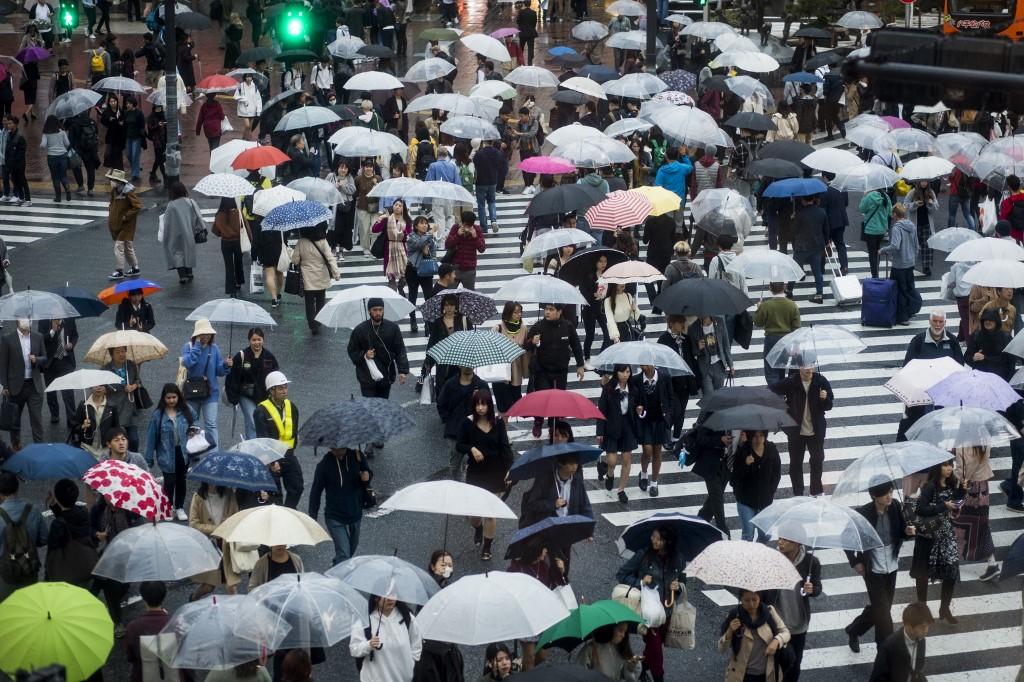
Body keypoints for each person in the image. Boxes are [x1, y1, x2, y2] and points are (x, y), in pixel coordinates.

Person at [846, 481, 917, 653]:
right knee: (884, 614)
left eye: (891, 492)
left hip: (891, 565)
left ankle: (854, 629)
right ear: (874, 496)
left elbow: (900, 531)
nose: (889, 496)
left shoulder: (895, 507)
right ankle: (885, 652)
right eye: (885, 494)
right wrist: (855, 562)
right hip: (872, 568)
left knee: (881, 609)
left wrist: (907, 532)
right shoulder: (863, 514)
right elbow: (846, 537)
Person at [616, 527, 683, 682]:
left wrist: (678, 587)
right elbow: (621, 574)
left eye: (659, 539)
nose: (654, 540)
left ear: (668, 541)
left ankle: (641, 669)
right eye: (653, 536)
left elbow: (682, 582)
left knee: (653, 648)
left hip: (667, 613)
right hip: (649, 613)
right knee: (656, 649)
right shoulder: (644, 555)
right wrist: (641, 582)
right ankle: (659, 678)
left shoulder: (678, 559)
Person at [456, 389, 513, 560]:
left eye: (484, 404)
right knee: (474, 515)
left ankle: (487, 547)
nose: (480, 408)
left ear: (489, 405)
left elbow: (505, 447)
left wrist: (510, 469)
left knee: (490, 513)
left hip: (496, 471)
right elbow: (460, 444)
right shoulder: (467, 423)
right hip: (476, 472)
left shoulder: (498, 422)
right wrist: (472, 449)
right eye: (477, 404)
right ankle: (478, 527)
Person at [911, 460, 965, 625]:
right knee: (923, 574)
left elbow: (955, 503)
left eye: (950, 465)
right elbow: (920, 509)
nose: (949, 468)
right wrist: (943, 506)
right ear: (937, 468)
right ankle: (923, 610)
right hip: (928, 536)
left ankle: (945, 608)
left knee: (951, 571)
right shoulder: (929, 487)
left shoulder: (952, 483)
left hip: (946, 534)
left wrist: (962, 491)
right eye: (945, 465)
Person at [770, 364, 833, 497]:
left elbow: (829, 406)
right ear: (799, 368)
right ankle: (798, 494)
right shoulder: (791, 382)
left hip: (816, 431)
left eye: (811, 366)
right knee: (795, 464)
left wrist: (824, 398)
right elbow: (771, 389)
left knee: (817, 461)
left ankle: (816, 491)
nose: (809, 369)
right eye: (805, 366)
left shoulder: (820, 381)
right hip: (796, 432)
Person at [524, 304, 586, 437]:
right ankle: (538, 421)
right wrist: (532, 342)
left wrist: (580, 365)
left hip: (560, 371)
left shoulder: (568, 326)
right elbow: (526, 345)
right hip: (542, 370)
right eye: (546, 309)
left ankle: (554, 426)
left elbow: (576, 345)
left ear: (559, 311)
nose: (547, 312)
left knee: (557, 400)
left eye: (551, 310)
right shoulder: (538, 326)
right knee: (542, 398)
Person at [768, 536, 822, 681]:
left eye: (785, 539)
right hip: (776, 624)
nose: (780, 542)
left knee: (794, 665)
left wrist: (812, 589)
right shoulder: (772, 560)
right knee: (774, 664)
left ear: (797, 542)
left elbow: (818, 587)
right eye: (779, 538)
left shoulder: (811, 562)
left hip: (798, 623)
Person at [309, 447, 371, 565]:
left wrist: (367, 476)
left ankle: (336, 568)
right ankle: (340, 572)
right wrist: (313, 516)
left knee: (351, 549)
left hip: (355, 512)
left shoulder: (357, 456)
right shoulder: (324, 465)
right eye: (335, 449)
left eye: (341, 449)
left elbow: (367, 473)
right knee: (344, 554)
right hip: (334, 516)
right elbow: (316, 491)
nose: (338, 452)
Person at [143, 383, 193, 521]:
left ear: (178, 397)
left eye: (174, 397)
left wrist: (194, 431)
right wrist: (148, 459)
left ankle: (179, 507)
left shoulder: (186, 410)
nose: (171, 400)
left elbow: (195, 422)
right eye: (168, 397)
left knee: (181, 480)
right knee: (169, 481)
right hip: (166, 454)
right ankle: (168, 507)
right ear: (163, 398)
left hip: (183, 452)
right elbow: (151, 438)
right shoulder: (157, 416)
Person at [718, 589, 791, 682]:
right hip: (743, 675)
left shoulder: (769, 611)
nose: (751, 604)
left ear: (759, 598)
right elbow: (721, 649)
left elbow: (785, 632)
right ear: (741, 600)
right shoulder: (734, 616)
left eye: (754, 599)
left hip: (767, 674)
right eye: (747, 600)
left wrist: (776, 641)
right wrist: (730, 631)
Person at [347, 297, 410, 405]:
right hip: (366, 376)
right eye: (375, 310)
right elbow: (352, 350)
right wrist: (364, 355)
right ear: (369, 311)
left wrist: (403, 371)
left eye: (380, 310)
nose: (378, 313)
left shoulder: (392, 328)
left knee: (383, 406)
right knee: (369, 406)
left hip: (386, 375)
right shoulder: (360, 330)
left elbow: (400, 349)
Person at [254, 371, 302, 508]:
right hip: (272, 458)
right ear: (271, 390)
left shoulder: (292, 407)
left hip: (289, 455)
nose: (284, 391)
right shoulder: (261, 411)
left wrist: (291, 453)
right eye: (280, 388)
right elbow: (263, 439)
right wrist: (272, 461)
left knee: (297, 487)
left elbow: (293, 434)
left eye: (285, 387)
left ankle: (288, 511)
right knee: (275, 495)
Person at [182, 319, 232, 450]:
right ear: (196, 334)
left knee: (211, 424)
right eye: (202, 334)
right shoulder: (189, 347)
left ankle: (214, 455)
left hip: (210, 392)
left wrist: (226, 365)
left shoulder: (214, 348)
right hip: (191, 392)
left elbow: (219, 371)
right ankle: (194, 453)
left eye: (208, 333)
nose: (206, 336)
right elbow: (189, 363)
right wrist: (197, 346)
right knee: (193, 425)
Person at [953, 446, 1000, 581]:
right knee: (982, 525)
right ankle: (992, 563)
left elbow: (964, 469)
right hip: (982, 487)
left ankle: (951, 561)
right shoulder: (983, 439)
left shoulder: (963, 444)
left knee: (956, 522)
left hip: (967, 488)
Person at [350, 596, 423, 681]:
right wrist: (369, 645)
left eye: (393, 594)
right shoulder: (364, 621)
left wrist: (411, 664)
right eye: (385, 594)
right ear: (376, 598)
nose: (390, 598)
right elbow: (354, 649)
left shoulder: (407, 617)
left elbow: (416, 643)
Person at [225, 327, 279, 441]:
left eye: (259, 339)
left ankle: (257, 445)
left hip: (264, 396)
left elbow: (275, 376)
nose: (257, 342)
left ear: (263, 340)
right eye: (254, 340)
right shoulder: (241, 356)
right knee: (252, 421)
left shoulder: (269, 357)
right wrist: (233, 398)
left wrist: (275, 394)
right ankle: (252, 447)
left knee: (262, 421)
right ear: (249, 340)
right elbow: (232, 377)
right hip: (246, 395)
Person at [0, 318, 46, 449]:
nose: (28, 321)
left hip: (34, 386)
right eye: (24, 319)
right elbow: (3, 364)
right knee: (15, 420)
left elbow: (44, 357)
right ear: (17, 322)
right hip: (15, 387)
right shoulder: (7, 339)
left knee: (36, 419)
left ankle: (39, 448)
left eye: (29, 319)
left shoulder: (38, 337)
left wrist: (37, 359)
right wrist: (4, 386)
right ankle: (16, 446)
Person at [0, 472, 46, 601]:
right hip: (28, 568)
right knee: (29, 606)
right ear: (17, 488)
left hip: (5, 574)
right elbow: (44, 539)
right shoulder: (33, 510)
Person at [730, 430, 781, 542]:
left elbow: (777, 473)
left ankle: (757, 550)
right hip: (745, 501)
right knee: (748, 535)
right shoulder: (743, 451)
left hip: (765, 501)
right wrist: (745, 464)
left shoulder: (771, 449)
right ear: (750, 436)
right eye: (755, 436)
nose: (758, 439)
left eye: (761, 435)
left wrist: (771, 491)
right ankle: (747, 553)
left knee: (765, 535)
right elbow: (734, 478)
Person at [631, 363, 672, 497]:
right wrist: (637, 407)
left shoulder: (664, 377)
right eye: (641, 363)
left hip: (660, 420)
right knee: (647, 450)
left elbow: (670, 398)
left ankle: (654, 482)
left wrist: (669, 416)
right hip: (645, 421)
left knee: (658, 451)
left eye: (646, 363)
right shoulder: (636, 379)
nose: (643, 366)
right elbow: (632, 399)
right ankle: (643, 474)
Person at [291, 223, 341, 335]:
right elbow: (330, 258)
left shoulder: (301, 242)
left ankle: (312, 324)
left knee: (309, 302)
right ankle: (318, 320)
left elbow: (295, 260)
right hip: (321, 275)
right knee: (320, 299)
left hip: (307, 276)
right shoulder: (323, 241)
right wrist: (336, 273)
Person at [879, 203, 922, 325]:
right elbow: (916, 245)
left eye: (892, 214)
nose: (891, 216)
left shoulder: (897, 228)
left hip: (899, 265)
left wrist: (883, 250)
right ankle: (911, 309)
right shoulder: (912, 226)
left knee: (899, 290)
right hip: (910, 263)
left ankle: (903, 316)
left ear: (895, 214)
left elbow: (895, 246)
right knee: (909, 288)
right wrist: (912, 258)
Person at [869, 602, 933, 682]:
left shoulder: (921, 640)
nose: (926, 631)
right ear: (908, 626)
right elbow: (877, 678)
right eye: (922, 627)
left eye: (928, 626)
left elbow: (916, 670)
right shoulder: (889, 647)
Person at [124, 581, 173, 682]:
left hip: (143, 675)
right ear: (164, 596)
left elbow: (131, 657)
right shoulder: (175, 624)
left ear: (143, 597)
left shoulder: (132, 627)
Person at [754, 282, 800, 385]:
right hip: (787, 340)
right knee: (781, 367)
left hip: (771, 339)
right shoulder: (792, 305)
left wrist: (759, 308)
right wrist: (796, 345)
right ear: (784, 287)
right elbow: (797, 327)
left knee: (771, 370)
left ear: (770, 288)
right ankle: (782, 389)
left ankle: (775, 392)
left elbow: (758, 322)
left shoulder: (766, 305)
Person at [160, 182, 204, 283]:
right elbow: (198, 217)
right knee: (188, 252)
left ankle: (182, 276)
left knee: (177, 253)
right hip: (189, 233)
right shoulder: (191, 202)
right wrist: (200, 229)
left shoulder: (171, 205)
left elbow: (167, 222)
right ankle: (189, 272)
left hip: (175, 234)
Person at [38, 317, 77, 428]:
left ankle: (72, 418)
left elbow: (75, 335)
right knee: (51, 391)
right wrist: (52, 331)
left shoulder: (69, 319)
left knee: (68, 392)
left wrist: (71, 344)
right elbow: (40, 340)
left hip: (65, 361)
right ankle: (54, 414)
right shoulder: (43, 321)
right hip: (50, 362)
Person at [106, 169, 142, 280]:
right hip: (119, 224)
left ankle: (119, 270)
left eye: (113, 180)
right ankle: (135, 267)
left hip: (127, 225)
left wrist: (126, 216)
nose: (111, 182)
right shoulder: (114, 191)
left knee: (119, 246)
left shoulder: (128, 192)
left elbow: (137, 206)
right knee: (127, 246)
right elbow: (112, 203)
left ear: (119, 181)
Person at [688, 315, 734, 396]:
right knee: (708, 397)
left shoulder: (719, 321)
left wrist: (731, 365)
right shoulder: (693, 328)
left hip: (719, 364)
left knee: (719, 396)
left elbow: (726, 345)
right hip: (705, 368)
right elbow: (693, 352)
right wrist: (698, 348)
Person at [69, 384, 118, 457]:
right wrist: (83, 426)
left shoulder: (112, 406)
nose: (98, 388)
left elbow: (116, 429)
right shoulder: (83, 405)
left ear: (105, 389)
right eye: (95, 385)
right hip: (86, 447)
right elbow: (74, 427)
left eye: (101, 385)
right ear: (90, 387)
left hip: (106, 449)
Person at [967, 308, 1015, 381]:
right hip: (981, 377)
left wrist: (1009, 380)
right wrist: (973, 358)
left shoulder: (1005, 337)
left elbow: (1011, 361)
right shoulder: (976, 336)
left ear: (996, 321)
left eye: (991, 320)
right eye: (985, 320)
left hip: (1000, 377)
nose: (987, 322)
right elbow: (967, 356)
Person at [904, 180, 938, 277]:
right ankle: (910, 266)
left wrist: (931, 203)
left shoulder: (931, 192)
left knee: (927, 246)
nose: (924, 183)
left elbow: (936, 206)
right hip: (915, 223)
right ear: (918, 182)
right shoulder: (913, 192)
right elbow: (905, 205)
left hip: (927, 223)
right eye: (922, 181)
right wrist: (915, 204)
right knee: (913, 246)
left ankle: (926, 267)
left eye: (925, 181)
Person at [445, 211, 486, 290]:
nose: (466, 227)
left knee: (469, 294)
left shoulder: (477, 229)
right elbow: (448, 245)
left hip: (469, 269)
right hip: (455, 268)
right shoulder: (455, 228)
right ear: (462, 222)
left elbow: (482, 249)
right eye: (465, 224)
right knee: (449, 293)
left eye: (469, 225)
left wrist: (475, 237)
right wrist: (457, 235)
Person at [859, 188, 892, 279]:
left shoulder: (869, 196)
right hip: (882, 230)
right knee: (877, 251)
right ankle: (876, 270)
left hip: (871, 229)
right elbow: (890, 212)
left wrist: (864, 196)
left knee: (872, 253)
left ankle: (874, 275)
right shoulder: (886, 197)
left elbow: (861, 209)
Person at [474, 139, 503, 233]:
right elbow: (500, 165)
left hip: (480, 181)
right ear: (492, 142)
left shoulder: (479, 153)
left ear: (484, 142)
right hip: (493, 180)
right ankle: (493, 220)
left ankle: (483, 226)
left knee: (481, 204)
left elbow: (475, 164)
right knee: (492, 201)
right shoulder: (497, 153)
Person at [40, 115, 72, 202]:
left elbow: (43, 145)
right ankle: (67, 190)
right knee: (63, 175)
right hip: (63, 156)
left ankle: (58, 197)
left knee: (55, 177)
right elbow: (67, 143)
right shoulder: (62, 132)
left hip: (52, 157)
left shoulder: (46, 133)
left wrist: (42, 145)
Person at [235, 72, 262, 141]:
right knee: (247, 125)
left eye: (250, 77)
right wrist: (243, 99)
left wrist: (258, 110)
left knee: (250, 127)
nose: (249, 78)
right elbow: (235, 96)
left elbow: (258, 99)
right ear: (245, 78)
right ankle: (244, 138)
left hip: (252, 110)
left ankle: (246, 138)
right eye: (247, 77)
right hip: (243, 109)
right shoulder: (241, 86)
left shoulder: (255, 87)